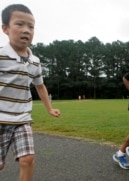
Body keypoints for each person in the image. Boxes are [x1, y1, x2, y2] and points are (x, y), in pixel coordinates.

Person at [0, 4, 61, 181]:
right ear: (5, 29)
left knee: (28, 159)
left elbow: (40, 86)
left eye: (31, 26)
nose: (26, 30)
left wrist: (49, 108)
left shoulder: (35, 61)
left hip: (22, 118)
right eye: (20, 24)